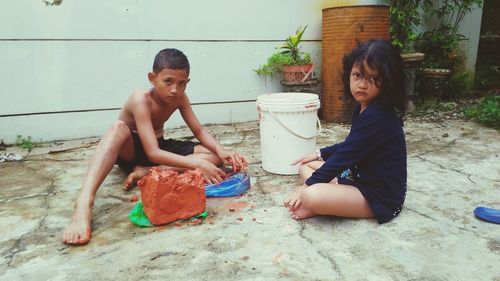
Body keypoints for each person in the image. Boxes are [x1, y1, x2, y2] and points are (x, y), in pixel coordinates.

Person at [63, 48, 248, 245]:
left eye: (181, 83)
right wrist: (197, 165)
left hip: (158, 149)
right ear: (152, 78)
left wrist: (223, 151)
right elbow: (152, 151)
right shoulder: (140, 99)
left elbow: (199, 131)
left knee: (214, 157)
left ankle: (147, 171)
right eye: (167, 81)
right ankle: (84, 202)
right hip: (132, 150)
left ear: (187, 82)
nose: (174, 89)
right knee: (117, 128)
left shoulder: (180, 98)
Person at [283, 39, 408, 224]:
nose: (362, 85)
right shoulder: (364, 108)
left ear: (388, 81)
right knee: (305, 166)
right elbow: (351, 146)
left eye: (373, 78)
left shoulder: (378, 115)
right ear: (349, 75)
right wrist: (319, 154)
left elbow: (345, 157)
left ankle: (320, 205)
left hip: (379, 198)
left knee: (311, 194)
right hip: (359, 180)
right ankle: (329, 203)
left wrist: (305, 188)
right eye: (357, 75)